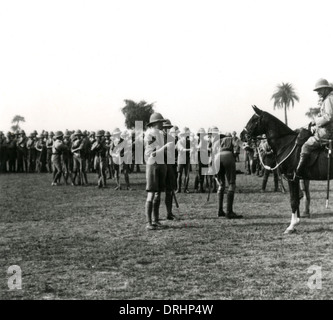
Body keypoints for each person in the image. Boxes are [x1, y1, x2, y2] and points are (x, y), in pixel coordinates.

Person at [296, 78, 333, 177]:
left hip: (326, 133)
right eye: (317, 91)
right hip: (326, 130)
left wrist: (316, 121)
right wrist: (314, 121)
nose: (318, 93)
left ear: (326, 89)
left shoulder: (329, 100)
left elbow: (329, 117)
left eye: (320, 90)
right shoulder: (328, 99)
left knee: (306, 146)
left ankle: (300, 172)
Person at [144, 112, 172, 230]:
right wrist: (165, 147)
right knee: (151, 194)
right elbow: (153, 153)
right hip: (153, 164)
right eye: (160, 122)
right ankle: (149, 222)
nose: (162, 124)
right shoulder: (150, 135)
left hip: (160, 163)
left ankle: (156, 220)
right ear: (155, 124)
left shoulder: (159, 135)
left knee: (158, 193)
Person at [212, 132, 243, 219]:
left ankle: (220, 210)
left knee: (221, 184)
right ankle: (229, 211)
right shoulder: (232, 139)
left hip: (217, 157)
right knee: (231, 184)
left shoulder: (217, 141)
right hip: (228, 156)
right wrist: (234, 155)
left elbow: (212, 154)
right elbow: (238, 148)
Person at [162, 119, 178, 220]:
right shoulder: (158, 138)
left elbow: (174, 152)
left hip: (170, 165)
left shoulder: (172, 139)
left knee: (170, 190)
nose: (167, 129)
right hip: (160, 165)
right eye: (165, 128)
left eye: (168, 128)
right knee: (157, 192)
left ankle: (169, 212)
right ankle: (155, 216)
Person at [176, 127, 192, 193]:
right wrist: (190, 150)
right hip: (181, 159)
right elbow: (181, 149)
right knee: (179, 174)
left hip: (187, 159)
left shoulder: (189, 142)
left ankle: (186, 188)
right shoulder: (179, 142)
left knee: (187, 174)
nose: (186, 136)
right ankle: (178, 189)